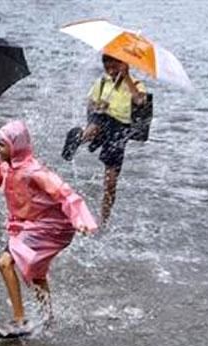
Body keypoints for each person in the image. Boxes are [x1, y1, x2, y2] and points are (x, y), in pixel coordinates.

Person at [0, 120, 98, 338]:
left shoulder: (34, 171)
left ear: (16, 146)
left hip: (49, 226)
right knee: (37, 274)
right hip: (25, 225)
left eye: (2, 144)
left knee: (4, 263)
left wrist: (80, 219)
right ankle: (48, 318)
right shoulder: (3, 164)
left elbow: (64, 193)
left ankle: (20, 320)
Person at [64, 54, 147, 226]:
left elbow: (140, 101)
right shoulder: (102, 83)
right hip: (101, 120)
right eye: (106, 64)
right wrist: (98, 105)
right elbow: (90, 105)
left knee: (110, 183)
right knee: (96, 123)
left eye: (113, 64)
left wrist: (126, 78)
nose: (109, 68)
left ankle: (103, 220)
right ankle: (79, 137)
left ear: (123, 64)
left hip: (120, 130)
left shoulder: (136, 85)